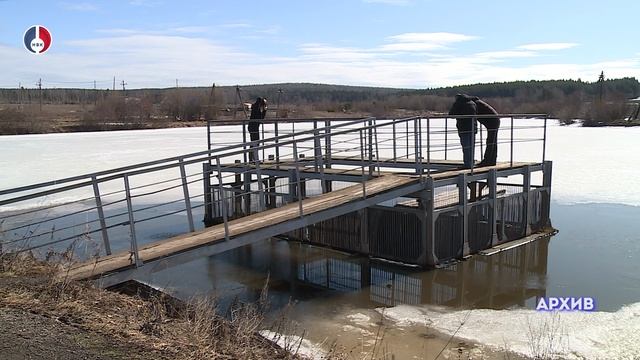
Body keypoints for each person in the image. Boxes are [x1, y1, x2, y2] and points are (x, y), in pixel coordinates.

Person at [448, 94, 477, 168]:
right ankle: (471, 162)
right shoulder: (472, 103)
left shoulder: (459, 103)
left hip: (463, 128)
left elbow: (451, 114)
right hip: (473, 127)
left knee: (466, 146)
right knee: (471, 146)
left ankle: (467, 163)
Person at [472, 97, 500, 167]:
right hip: (494, 120)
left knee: (490, 141)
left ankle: (487, 160)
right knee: (492, 141)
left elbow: (475, 115)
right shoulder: (478, 103)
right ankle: (492, 160)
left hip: (492, 121)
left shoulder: (475, 105)